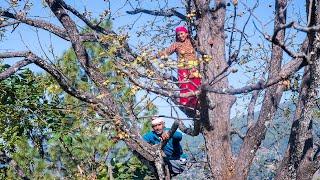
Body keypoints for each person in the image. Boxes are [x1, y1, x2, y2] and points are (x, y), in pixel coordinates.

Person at [158, 26, 201, 108]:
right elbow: (166, 52)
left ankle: (197, 103)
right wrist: (156, 55)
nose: (180, 36)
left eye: (182, 34)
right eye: (178, 35)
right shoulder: (176, 44)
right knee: (185, 86)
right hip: (183, 69)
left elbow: (201, 45)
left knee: (195, 86)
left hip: (194, 68)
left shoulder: (192, 42)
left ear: (186, 33)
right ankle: (187, 104)